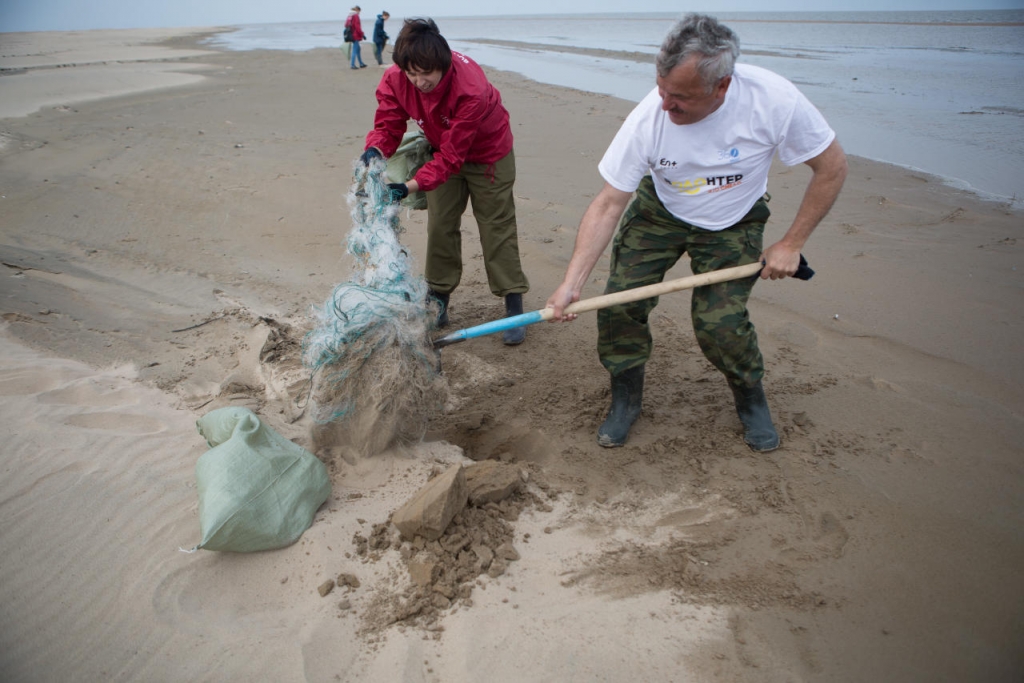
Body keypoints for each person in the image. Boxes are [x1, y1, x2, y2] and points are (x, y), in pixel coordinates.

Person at [545, 14, 847, 451]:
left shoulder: (774, 101)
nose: (666, 106)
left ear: (721, 86)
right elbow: (610, 202)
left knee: (718, 326)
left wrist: (791, 243)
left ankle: (750, 397)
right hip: (660, 210)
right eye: (661, 90)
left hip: (734, 218)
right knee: (619, 306)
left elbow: (831, 167)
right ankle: (626, 396)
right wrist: (570, 284)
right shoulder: (650, 117)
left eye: (680, 98)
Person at [360, 18, 530, 345]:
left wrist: (408, 186)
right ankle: (438, 301)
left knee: (496, 225)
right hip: (440, 147)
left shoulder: (471, 88)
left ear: (443, 63)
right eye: (412, 74)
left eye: (427, 74)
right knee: (440, 224)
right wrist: (374, 150)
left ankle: (513, 304)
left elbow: (453, 158)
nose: (419, 82)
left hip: (488, 153)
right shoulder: (397, 78)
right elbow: (389, 124)